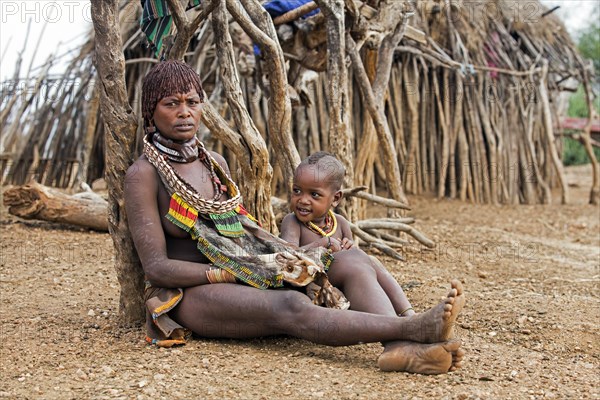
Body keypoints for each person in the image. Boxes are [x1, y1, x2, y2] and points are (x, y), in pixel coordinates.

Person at [124, 60, 465, 374]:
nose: (185, 112)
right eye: (171, 104)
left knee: (350, 259)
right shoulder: (144, 174)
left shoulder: (214, 162)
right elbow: (156, 267)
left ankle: (400, 349)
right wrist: (231, 273)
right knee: (290, 302)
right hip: (191, 294)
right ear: (151, 113)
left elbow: (239, 231)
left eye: (192, 102)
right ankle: (414, 328)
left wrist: (271, 262)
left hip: (244, 268)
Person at [280, 152, 415, 317]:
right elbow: (288, 258)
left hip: (341, 282)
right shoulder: (292, 222)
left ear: (335, 198)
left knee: (372, 261)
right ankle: (393, 322)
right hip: (310, 283)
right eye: (297, 191)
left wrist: (350, 247)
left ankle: (408, 312)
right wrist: (321, 244)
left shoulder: (340, 222)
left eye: (314, 194)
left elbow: (352, 257)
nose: (303, 200)